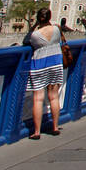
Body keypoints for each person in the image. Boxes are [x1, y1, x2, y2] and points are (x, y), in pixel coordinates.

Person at [26, 8, 65, 139]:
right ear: (50, 17)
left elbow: (26, 41)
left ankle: (37, 132)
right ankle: (54, 127)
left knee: (38, 98)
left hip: (39, 65)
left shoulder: (35, 35)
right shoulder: (57, 29)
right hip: (55, 63)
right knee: (53, 96)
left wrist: (35, 26)